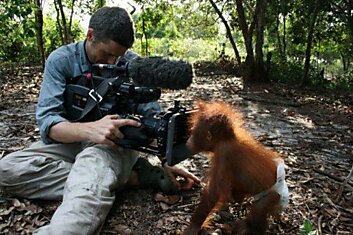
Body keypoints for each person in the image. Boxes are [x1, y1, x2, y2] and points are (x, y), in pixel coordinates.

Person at [0, 6, 200, 234]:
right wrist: (91, 130)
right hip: (70, 141)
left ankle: (90, 192)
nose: (114, 61)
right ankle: (129, 178)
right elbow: (48, 123)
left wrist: (168, 158)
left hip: (113, 146)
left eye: (120, 55)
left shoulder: (132, 64)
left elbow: (153, 117)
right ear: (90, 35)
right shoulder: (61, 60)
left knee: (90, 174)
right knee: (7, 169)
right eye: (107, 53)